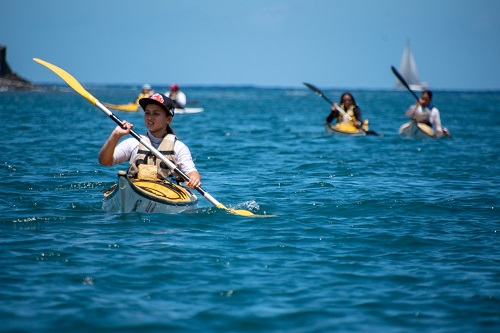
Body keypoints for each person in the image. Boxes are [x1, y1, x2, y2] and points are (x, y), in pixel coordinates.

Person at [98, 93, 201, 189]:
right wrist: (116, 135)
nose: (150, 117)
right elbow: (105, 161)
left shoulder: (178, 147)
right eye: (147, 113)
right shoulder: (134, 143)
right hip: (137, 189)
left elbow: (192, 172)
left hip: (167, 193)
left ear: (168, 119)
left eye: (156, 113)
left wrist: (194, 179)